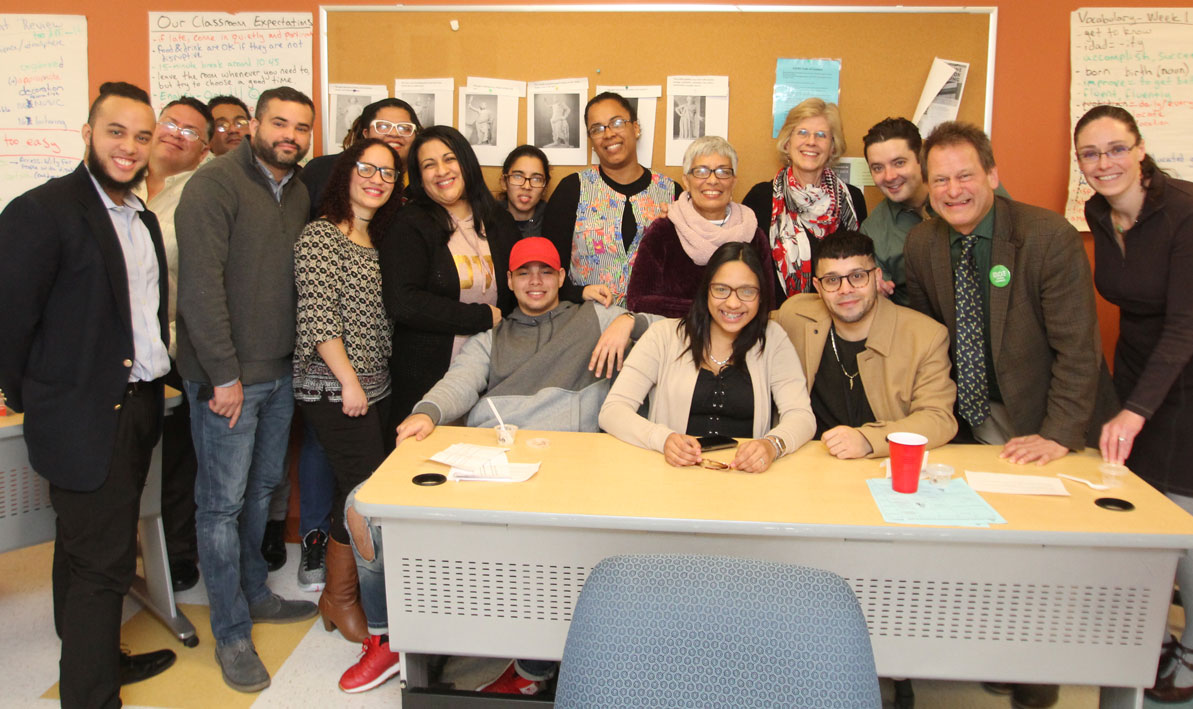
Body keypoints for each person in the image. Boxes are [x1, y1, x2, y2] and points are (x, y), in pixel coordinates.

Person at [343, 236, 650, 695]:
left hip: (571, 462)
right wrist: (425, 413)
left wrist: (629, 318)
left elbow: (674, 330)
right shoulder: (491, 338)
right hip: (495, 458)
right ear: (509, 281)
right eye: (524, 272)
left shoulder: (595, 318)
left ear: (562, 278)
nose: (535, 281)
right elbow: (459, 383)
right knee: (360, 507)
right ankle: (388, 636)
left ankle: (533, 664)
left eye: (545, 271)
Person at [904, 122, 1118, 707]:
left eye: (965, 175)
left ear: (993, 175)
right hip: (971, 420)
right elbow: (927, 339)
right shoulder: (925, 244)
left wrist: (1056, 435)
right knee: (980, 545)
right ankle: (995, 646)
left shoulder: (1046, 235)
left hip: (1044, 414)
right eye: (940, 179)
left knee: (1040, 553)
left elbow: (1080, 349)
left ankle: (1036, 674)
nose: (953, 190)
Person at [0, 81, 176, 708]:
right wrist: (47, 398)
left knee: (82, 553)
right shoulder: (42, 211)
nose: (129, 147)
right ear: (88, 134)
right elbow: (9, 323)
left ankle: (92, 657)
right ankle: (92, 696)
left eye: (142, 136)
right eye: (116, 132)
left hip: (138, 407)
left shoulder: (141, 216)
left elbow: (142, 319)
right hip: (83, 415)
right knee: (102, 566)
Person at [175, 86, 318, 693]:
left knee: (264, 488)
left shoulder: (299, 190)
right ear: (254, 124)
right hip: (227, 380)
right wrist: (224, 376)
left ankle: (256, 592)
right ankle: (231, 633)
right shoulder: (214, 186)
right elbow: (200, 289)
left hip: (279, 370)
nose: (290, 135)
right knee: (221, 505)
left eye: (302, 127)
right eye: (279, 123)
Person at [1072, 105, 1193, 702]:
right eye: (1090, 154)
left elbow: (1184, 326)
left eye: (1115, 149)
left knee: (1181, 508)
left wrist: (1135, 410)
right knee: (1139, 499)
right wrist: (1124, 399)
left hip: (1185, 367)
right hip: (1141, 367)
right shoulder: (1098, 211)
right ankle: (1145, 640)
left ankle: (1191, 650)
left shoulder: (1184, 212)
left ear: (1140, 148)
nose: (1103, 163)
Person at [293, 138, 404, 646]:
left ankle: (338, 596)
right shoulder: (320, 236)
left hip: (375, 387)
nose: (377, 179)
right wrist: (350, 382)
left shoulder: (375, 239)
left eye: (388, 173)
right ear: (346, 172)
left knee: (353, 492)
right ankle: (343, 599)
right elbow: (318, 318)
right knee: (363, 494)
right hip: (334, 389)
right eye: (368, 168)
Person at [599, 242, 815, 472]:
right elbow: (613, 411)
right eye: (721, 289)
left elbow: (801, 415)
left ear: (761, 296)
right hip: (673, 474)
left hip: (746, 477)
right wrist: (663, 439)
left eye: (747, 291)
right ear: (706, 290)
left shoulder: (772, 340)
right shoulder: (663, 337)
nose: (733, 303)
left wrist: (773, 445)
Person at [379, 125, 518, 430]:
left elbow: (524, 281)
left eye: (449, 159)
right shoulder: (409, 223)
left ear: (465, 162)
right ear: (419, 176)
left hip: (491, 373)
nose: (441, 171)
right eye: (429, 165)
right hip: (427, 375)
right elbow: (403, 301)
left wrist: (577, 293)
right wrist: (479, 317)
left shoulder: (498, 220)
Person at [772, 230, 956, 458]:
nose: (845, 289)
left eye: (857, 276)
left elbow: (938, 418)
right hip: (809, 459)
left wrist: (870, 440)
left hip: (886, 463)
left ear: (877, 278)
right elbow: (743, 321)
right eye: (832, 280)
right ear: (818, 288)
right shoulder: (795, 315)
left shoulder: (925, 336)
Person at [131, 96, 213, 593]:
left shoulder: (200, 192)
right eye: (170, 123)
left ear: (203, 149)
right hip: (119, 350)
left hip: (178, 348)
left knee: (179, 462)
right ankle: (122, 557)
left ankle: (177, 553)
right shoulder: (119, 183)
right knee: (124, 459)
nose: (176, 134)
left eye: (190, 131)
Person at [542, 91, 681, 306]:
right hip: (585, 321)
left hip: (652, 324)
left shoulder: (671, 193)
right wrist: (579, 292)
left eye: (616, 123)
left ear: (635, 128)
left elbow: (683, 272)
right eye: (597, 129)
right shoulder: (572, 190)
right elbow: (547, 270)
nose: (608, 134)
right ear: (591, 140)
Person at [627, 135, 773, 318]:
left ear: (734, 181)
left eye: (723, 171)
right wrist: (715, 310)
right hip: (674, 338)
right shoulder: (663, 232)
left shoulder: (753, 235)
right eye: (701, 171)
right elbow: (637, 300)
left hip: (739, 341)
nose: (712, 180)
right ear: (686, 180)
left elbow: (767, 304)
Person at [744, 98, 868, 303]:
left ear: (833, 147)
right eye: (802, 132)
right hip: (778, 320)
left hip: (840, 318)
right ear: (787, 142)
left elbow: (862, 265)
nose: (811, 141)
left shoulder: (852, 199)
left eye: (821, 135)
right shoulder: (761, 197)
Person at [301, 97, 422, 219]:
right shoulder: (321, 170)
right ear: (366, 133)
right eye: (383, 126)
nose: (394, 134)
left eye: (404, 128)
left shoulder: (424, 181)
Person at [860, 117, 930, 306]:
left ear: (921, 158)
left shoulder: (961, 194)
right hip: (921, 328)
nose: (889, 176)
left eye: (899, 163)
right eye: (878, 168)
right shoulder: (873, 231)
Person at [499, 144, 550, 237]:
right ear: (504, 182)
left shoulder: (555, 222)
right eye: (517, 176)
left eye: (536, 179)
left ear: (545, 188)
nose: (526, 186)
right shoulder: (486, 222)